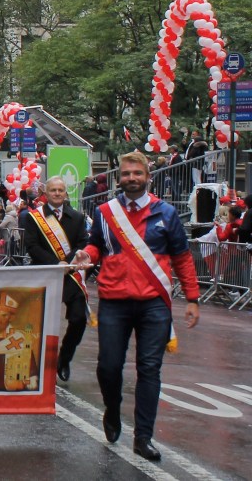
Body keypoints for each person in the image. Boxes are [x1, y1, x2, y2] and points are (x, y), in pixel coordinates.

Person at [72, 151, 200, 462]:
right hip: (114, 301)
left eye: (137, 173)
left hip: (153, 303)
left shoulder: (166, 213)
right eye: (127, 173)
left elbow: (182, 257)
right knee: (108, 366)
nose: (132, 178)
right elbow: (97, 246)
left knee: (149, 368)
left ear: (148, 177)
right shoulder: (105, 212)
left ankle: (143, 437)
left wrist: (193, 298)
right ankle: (112, 409)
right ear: (119, 178)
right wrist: (87, 255)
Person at [22, 176, 89, 382]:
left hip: (71, 275)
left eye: (60, 190)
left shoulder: (77, 217)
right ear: (46, 193)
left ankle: (64, 358)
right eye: (53, 190)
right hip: (44, 273)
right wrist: (55, 263)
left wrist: (68, 264)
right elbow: (32, 246)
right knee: (35, 322)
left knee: (79, 318)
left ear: (65, 192)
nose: (57, 193)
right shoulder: (34, 218)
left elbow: (83, 243)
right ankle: (33, 361)